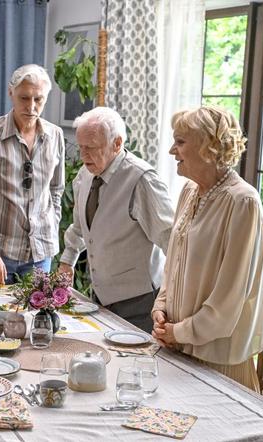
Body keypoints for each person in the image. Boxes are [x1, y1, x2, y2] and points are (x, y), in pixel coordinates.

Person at [151, 105, 263, 391]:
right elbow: (174, 264)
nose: (171, 151)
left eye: (180, 142)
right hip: (177, 348)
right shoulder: (189, 191)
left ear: (209, 148)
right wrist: (161, 306)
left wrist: (179, 332)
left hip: (217, 360)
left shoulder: (243, 202)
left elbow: (230, 298)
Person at [57, 107, 174, 333]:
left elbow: (171, 240)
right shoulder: (85, 174)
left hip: (140, 302)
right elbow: (80, 228)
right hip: (100, 298)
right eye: (81, 147)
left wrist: (174, 296)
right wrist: (66, 262)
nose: (83, 156)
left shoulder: (142, 180)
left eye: (91, 148)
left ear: (117, 143)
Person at [0, 64, 65, 285]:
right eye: (24, 98)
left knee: (35, 318)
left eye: (38, 99)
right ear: (11, 93)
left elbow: (56, 190)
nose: (31, 106)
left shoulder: (55, 135)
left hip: (40, 254)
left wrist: (51, 224)